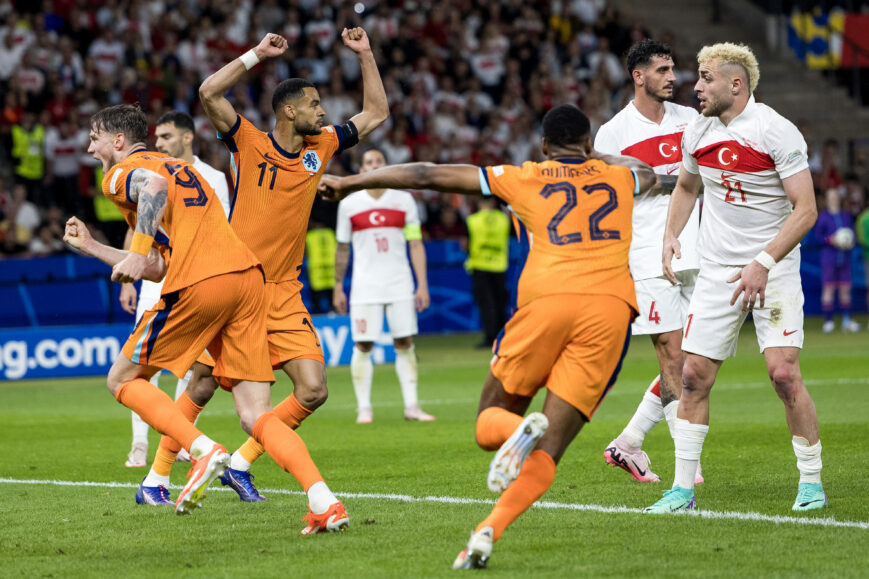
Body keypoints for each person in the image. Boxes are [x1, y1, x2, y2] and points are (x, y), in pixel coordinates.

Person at [319, 104, 656, 569]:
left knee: (487, 424)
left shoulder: (524, 176)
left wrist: (349, 182)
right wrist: (596, 159)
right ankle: (486, 532)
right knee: (550, 451)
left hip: (546, 303)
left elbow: (426, 174)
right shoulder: (620, 178)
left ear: (542, 146)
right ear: (589, 144)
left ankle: (517, 432)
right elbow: (649, 173)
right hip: (610, 311)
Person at [136, 30, 387, 533]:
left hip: (285, 292)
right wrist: (257, 55)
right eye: (314, 104)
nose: (323, 111)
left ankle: (243, 462)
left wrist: (364, 54)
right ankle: (156, 478)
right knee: (204, 382)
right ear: (289, 111)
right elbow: (209, 92)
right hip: (237, 286)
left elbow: (376, 113)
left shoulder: (324, 146)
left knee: (314, 391)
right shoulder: (248, 142)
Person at [65, 103, 310, 517]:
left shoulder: (119, 175)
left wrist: (135, 249)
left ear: (118, 140)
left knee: (122, 378)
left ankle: (201, 450)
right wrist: (91, 246)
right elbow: (159, 264)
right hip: (247, 280)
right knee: (252, 412)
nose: (90, 148)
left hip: (202, 282)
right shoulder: (186, 169)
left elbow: (154, 192)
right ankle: (322, 498)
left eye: (94, 137)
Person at [643, 43, 825, 514]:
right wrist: (670, 236)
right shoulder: (697, 131)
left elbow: (806, 210)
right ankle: (682, 490)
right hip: (717, 272)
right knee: (693, 376)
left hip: (774, 266)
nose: (696, 87)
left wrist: (763, 261)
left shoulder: (775, 130)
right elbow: (686, 185)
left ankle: (811, 483)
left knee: (783, 375)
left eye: (706, 78)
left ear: (736, 84)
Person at [594, 39, 704, 484]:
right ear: (638, 76)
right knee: (672, 354)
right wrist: (666, 178)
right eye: (661, 70)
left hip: (697, 247)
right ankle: (687, 466)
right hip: (645, 252)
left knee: (696, 360)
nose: (672, 78)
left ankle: (628, 442)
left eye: (672, 69)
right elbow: (610, 194)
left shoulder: (691, 120)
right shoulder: (614, 133)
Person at [118, 110, 232, 469]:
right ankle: (139, 443)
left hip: (192, 277)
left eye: (166, 137)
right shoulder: (153, 169)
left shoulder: (213, 177)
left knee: (188, 369)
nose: (159, 143)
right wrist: (132, 267)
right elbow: (138, 223)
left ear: (187, 137)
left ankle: (180, 440)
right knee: (140, 364)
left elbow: (221, 226)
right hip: (153, 275)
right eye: (158, 137)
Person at [333, 148, 434, 424]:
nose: (374, 165)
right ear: (361, 169)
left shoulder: (404, 201)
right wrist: (338, 285)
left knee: (405, 342)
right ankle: (364, 408)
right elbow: (342, 248)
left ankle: (412, 406)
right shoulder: (349, 204)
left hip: (400, 282)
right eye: (369, 161)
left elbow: (415, 243)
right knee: (363, 344)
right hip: (365, 286)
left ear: (387, 166)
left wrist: (421, 284)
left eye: (379, 161)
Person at [465, 196, 510, 349]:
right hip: (499, 266)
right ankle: (503, 337)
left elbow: (465, 244)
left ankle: (490, 337)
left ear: (479, 202)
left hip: (480, 265)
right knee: (500, 303)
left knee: (486, 304)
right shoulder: (503, 220)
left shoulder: (473, 220)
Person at [816, 188, 859, 333]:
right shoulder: (823, 217)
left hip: (844, 258)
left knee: (845, 289)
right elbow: (818, 237)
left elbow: (852, 235)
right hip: (829, 258)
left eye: (835, 196)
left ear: (839, 199)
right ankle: (829, 322)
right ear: (827, 199)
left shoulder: (846, 216)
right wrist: (831, 240)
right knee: (828, 289)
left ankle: (847, 320)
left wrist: (851, 241)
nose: (833, 199)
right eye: (831, 197)